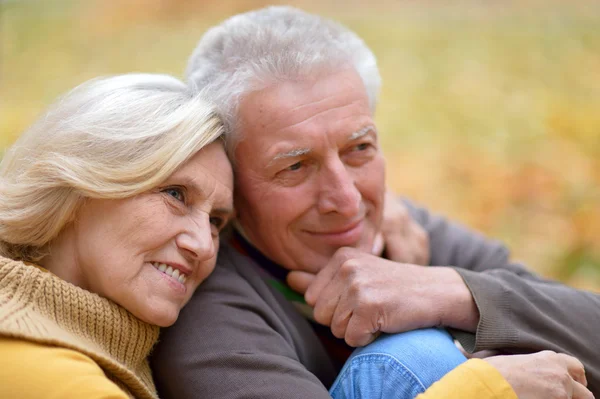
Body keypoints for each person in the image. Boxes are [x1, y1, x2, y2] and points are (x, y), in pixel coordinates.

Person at [151, 5, 600, 398]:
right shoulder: (210, 309)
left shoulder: (397, 227)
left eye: (359, 149)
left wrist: (448, 291)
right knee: (414, 358)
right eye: (295, 167)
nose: (346, 200)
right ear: (229, 179)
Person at [0, 73, 234, 398]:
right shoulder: (48, 375)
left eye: (216, 221)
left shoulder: (101, 351)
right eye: (175, 195)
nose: (204, 246)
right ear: (81, 184)